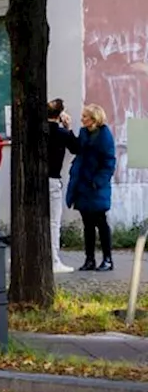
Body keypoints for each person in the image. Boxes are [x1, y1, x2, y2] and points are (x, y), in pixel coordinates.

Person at [66, 103, 117, 272]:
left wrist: (98, 181)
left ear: (94, 118)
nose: (82, 119)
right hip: (82, 185)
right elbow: (76, 148)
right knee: (87, 224)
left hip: (96, 187)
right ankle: (89, 259)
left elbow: (109, 162)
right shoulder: (84, 133)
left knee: (101, 223)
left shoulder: (104, 135)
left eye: (85, 116)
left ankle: (107, 259)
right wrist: (68, 130)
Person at [47, 99, 77, 273]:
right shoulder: (61, 133)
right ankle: (53, 260)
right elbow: (76, 148)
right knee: (53, 222)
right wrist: (68, 127)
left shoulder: (38, 131)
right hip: (52, 179)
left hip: (35, 181)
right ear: (60, 115)